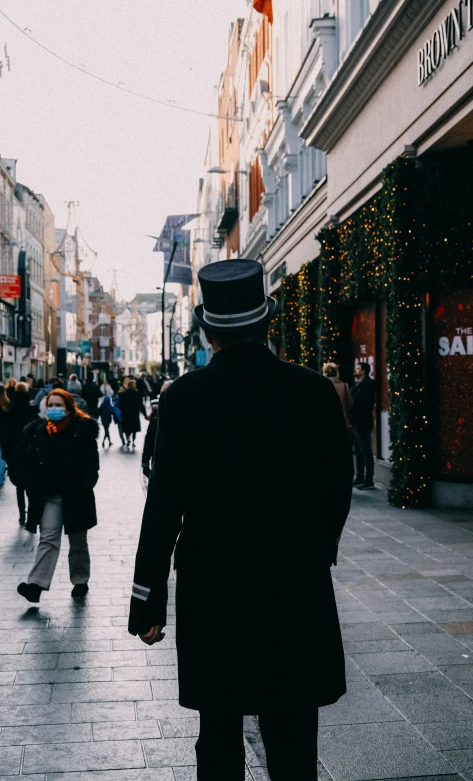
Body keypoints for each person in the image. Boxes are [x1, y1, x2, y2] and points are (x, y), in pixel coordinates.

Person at [128, 259, 353, 781]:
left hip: (214, 585)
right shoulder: (312, 392)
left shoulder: (183, 399)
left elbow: (162, 505)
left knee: (220, 730)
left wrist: (147, 599)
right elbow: (337, 488)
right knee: (294, 731)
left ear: (208, 332)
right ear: (267, 323)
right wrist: (316, 549)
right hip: (293, 581)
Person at [17, 389, 100, 604]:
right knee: (48, 538)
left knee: (78, 542)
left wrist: (82, 486)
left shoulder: (82, 430)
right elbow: (30, 464)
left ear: (68, 407)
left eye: (58, 404)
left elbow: (92, 466)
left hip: (76, 495)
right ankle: (36, 585)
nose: (53, 409)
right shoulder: (38, 432)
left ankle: (80, 580)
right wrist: (33, 487)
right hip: (50, 496)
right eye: (50, 405)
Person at [1, 382, 37, 524]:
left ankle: (22, 514)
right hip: (29, 452)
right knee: (30, 484)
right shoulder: (31, 410)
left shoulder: (10, 412)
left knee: (19, 486)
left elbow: (5, 435)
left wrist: (5, 453)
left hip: (15, 453)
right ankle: (31, 514)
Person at [350, 362, 377, 490]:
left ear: (364, 371)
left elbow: (363, 404)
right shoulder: (359, 385)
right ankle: (360, 477)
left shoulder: (367, 384)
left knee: (365, 450)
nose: (355, 370)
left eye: (358, 368)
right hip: (357, 422)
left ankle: (368, 479)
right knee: (359, 450)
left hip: (363, 421)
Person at [322, 362, 353, 426]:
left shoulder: (321, 386)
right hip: (342, 420)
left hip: (325, 419)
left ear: (325, 373)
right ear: (336, 372)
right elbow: (350, 404)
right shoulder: (344, 386)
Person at [118, 379, 146, 448]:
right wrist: (145, 415)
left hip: (126, 414)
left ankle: (128, 439)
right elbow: (141, 406)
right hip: (134, 414)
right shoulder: (137, 394)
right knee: (134, 429)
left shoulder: (123, 395)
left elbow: (119, 404)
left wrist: (123, 410)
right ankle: (133, 441)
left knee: (127, 429)